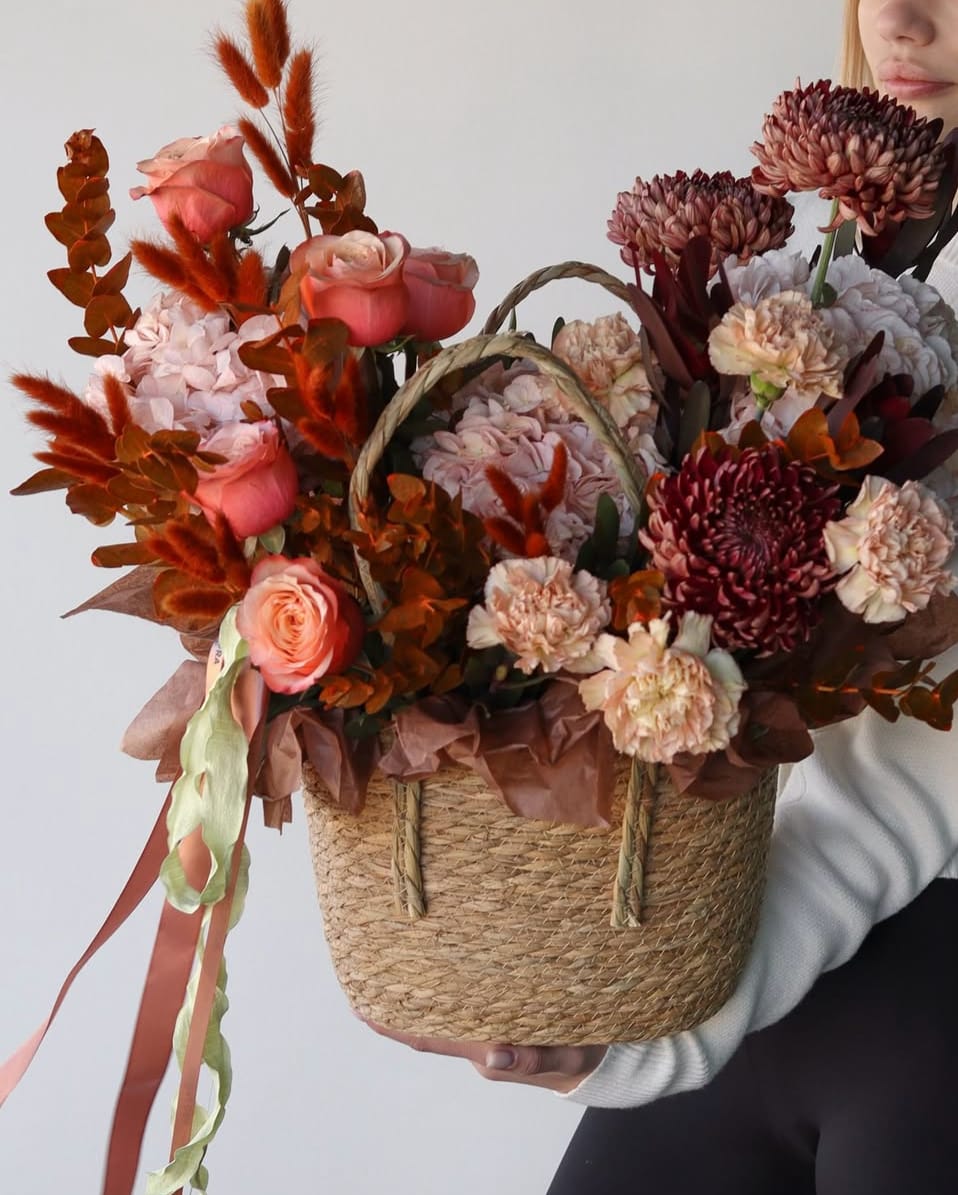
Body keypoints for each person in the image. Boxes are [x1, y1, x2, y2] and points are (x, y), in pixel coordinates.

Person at [367, 3, 958, 1191]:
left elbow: (914, 782)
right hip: (799, 961)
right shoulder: (820, 285)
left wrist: (649, 1037)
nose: (901, 16)